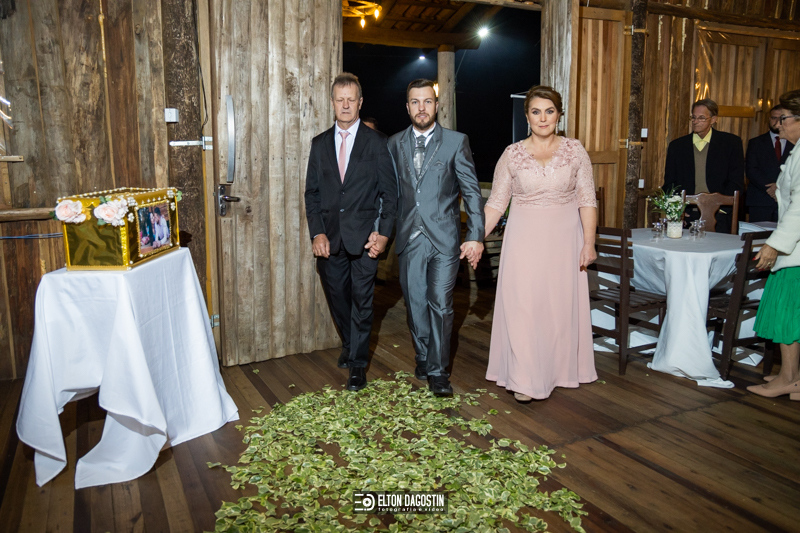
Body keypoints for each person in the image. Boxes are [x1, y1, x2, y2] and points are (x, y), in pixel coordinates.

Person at [484, 85, 598, 402]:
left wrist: (589, 243)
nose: (543, 118)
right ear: (527, 116)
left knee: (557, 309)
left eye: (549, 111)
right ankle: (524, 379)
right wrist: (473, 237)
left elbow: (587, 200)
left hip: (565, 242)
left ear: (559, 115)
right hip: (523, 242)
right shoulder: (512, 154)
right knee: (523, 306)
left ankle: (557, 371)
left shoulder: (575, 150)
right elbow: (496, 203)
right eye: (536, 112)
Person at [387, 78, 484, 396]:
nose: (422, 108)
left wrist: (476, 235)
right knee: (415, 305)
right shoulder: (394, 143)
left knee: (441, 304)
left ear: (437, 105)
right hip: (409, 238)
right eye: (415, 102)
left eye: (427, 101)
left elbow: (472, 192)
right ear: (407, 107)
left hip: (444, 239)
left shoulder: (456, 142)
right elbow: (389, 193)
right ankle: (424, 356)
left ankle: (438, 372)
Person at [304, 72, 397, 391]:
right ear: (332, 103)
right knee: (338, 297)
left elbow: (390, 194)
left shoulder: (378, 143)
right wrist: (317, 232)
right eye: (339, 99)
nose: (345, 105)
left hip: (366, 239)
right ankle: (350, 342)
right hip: (329, 239)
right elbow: (312, 193)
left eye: (351, 100)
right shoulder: (319, 144)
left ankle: (357, 364)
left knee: (363, 301)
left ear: (360, 102)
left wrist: (383, 234)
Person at [747, 89, 800, 401]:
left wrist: (773, 246)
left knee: (787, 313)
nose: (779, 126)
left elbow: (798, 209)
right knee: (793, 313)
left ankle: (788, 379)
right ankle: (793, 377)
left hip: (795, 252)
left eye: (785, 119)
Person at [663, 98, 745, 234]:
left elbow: (736, 181)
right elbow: (670, 183)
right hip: (687, 214)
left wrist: (722, 208)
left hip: (721, 213)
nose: (695, 122)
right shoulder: (677, 146)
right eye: (693, 117)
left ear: (713, 120)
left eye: (701, 118)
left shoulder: (730, 143)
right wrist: (677, 210)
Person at [746, 105, 794, 223]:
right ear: (769, 119)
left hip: (787, 200)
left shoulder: (794, 144)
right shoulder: (755, 142)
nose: (776, 122)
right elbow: (751, 170)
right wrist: (771, 188)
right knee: (758, 233)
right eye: (773, 118)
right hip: (760, 199)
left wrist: (779, 186)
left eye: (781, 118)